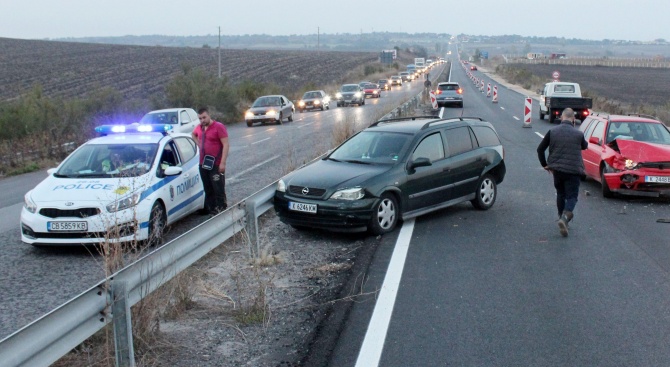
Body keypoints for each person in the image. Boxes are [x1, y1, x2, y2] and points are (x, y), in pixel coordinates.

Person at [536, 108, 588, 237]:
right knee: (572, 197)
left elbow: (540, 149)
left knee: (560, 193)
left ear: (562, 118)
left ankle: (561, 217)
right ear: (573, 120)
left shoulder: (552, 131)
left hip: (557, 170)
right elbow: (585, 146)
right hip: (573, 170)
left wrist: (545, 165)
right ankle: (565, 218)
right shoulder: (578, 134)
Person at [192, 107, 230, 215]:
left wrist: (222, 163)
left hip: (216, 163)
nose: (202, 120)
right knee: (208, 189)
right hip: (203, 163)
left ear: (209, 115)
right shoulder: (199, 128)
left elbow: (226, 144)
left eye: (204, 117)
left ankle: (222, 210)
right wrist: (199, 144)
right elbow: (193, 134)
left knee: (218, 188)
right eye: (200, 118)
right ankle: (213, 211)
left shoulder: (218, 127)